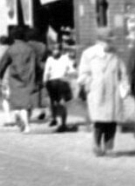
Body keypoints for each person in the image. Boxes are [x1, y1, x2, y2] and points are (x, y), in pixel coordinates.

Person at [77, 27, 129, 156]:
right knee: (99, 121)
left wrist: (124, 86)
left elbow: (123, 73)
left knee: (112, 121)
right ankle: (97, 145)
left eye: (111, 41)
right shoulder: (89, 54)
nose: (110, 44)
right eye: (107, 41)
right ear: (100, 41)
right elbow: (83, 74)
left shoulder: (115, 54)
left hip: (113, 92)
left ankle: (109, 147)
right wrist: (90, 84)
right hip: (97, 92)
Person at [0, 26, 41, 133]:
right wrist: (38, 77)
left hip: (15, 78)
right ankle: (27, 124)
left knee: (17, 102)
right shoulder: (30, 49)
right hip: (29, 77)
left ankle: (21, 119)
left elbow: (3, 64)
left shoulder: (11, 49)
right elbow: (37, 65)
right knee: (26, 102)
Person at [43, 43, 75, 132]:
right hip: (52, 82)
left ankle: (63, 123)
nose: (55, 51)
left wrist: (69, 76)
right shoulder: (49, 59)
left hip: (62, 82)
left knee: (62, 103)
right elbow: (46, 72)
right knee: (52, 102)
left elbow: (71, 70)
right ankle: (54, 118)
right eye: (53, 50)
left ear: (61, 50)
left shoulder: (65, 58)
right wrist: (45, 82)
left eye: (56, 49)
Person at [0, 33, 15, 126]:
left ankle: (9, 119)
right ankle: (18, 116)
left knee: (5, 99)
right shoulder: (12, 50)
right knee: (14, 97)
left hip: (4, 78)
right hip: (14, 77)